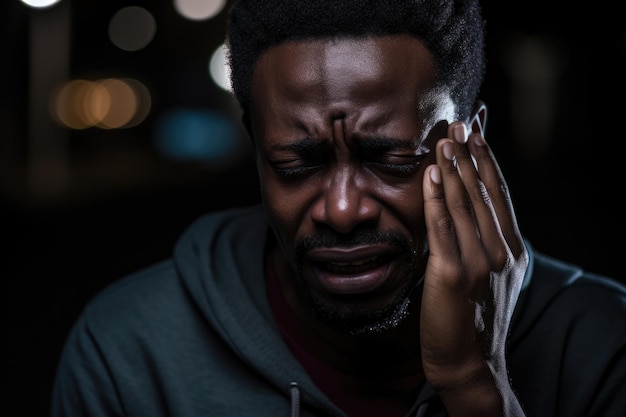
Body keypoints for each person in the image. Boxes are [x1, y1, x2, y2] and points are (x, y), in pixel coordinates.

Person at [51, 1, 626, 416]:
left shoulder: (602, 345)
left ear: (472, 145)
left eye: (392, 158)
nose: (344, 210)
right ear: (254, 146)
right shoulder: (129, 355)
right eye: (296, 164)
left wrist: (476, 387)